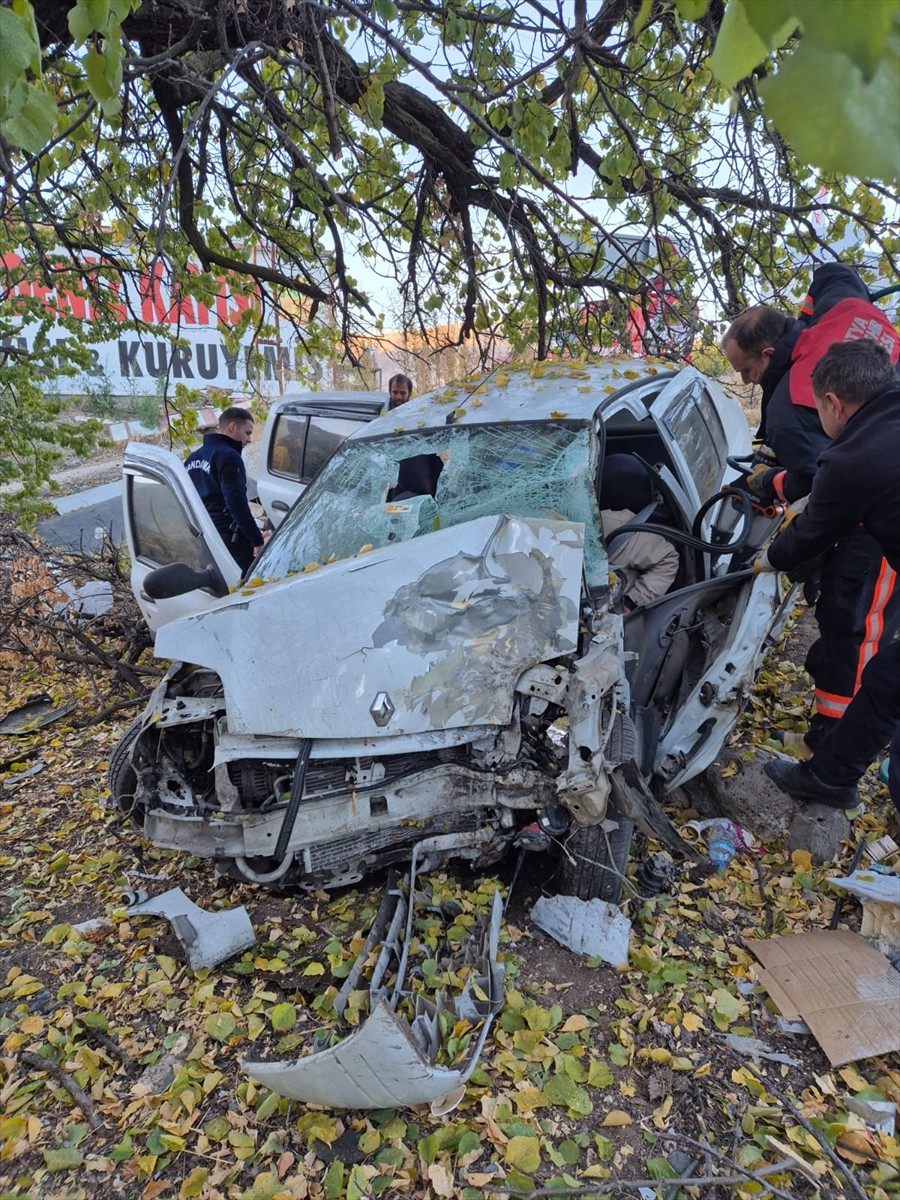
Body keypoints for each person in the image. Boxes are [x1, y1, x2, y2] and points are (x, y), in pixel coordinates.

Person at [722, 263, 900, 756]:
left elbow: (825, 490)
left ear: (768, 353)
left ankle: (834, 743)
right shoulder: (843, 308)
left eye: (747, 371)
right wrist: (807, 316)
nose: (746, 380)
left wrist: (773, 494)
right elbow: (833, 272)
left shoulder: (791, 409)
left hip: (876, 520)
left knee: (853, 623)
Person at [754, 340, 900, 817]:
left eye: (818, 409)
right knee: (887, 680)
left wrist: (764, 561)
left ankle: (832, 777)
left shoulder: (854, 457)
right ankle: (831, 778)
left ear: (834, 403)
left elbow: (811, 534)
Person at [185, 406, 264, 572]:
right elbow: (236, 502)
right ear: (233, 427)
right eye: (248, 433)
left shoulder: (192, 459)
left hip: (202, 535)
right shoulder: (228, 456)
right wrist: (257, 540)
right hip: (229, 537)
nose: (249, 440)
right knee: (247, 580)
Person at [599, 455, 679, 609]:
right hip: (602, 608)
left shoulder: (574, 513)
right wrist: (631, 603)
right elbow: (669, 558)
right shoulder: (624, 529)